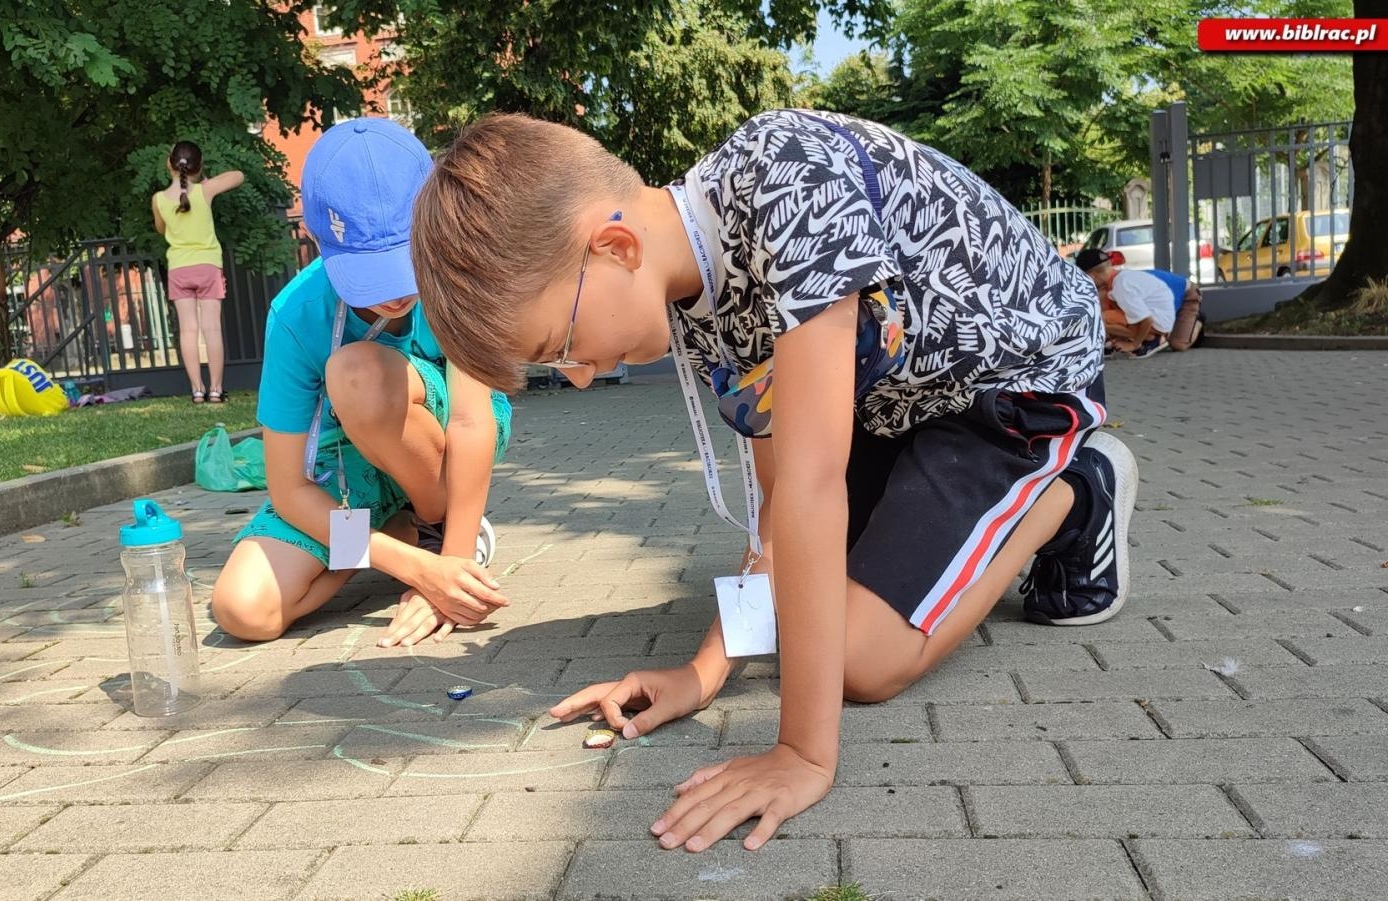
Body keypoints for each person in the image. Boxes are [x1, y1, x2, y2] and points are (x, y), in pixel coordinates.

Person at [409, 109, 1140, 852]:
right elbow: (777, 508)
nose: (582, 375)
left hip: (1014, 384)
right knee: (805, 594)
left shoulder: (791, 175)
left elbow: (814, 483)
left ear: (616, 246)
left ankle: (1076, 493)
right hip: (904, 402)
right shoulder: (693, 305)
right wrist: (701, 673)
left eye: (559, 344)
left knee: (857, 658)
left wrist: (802, 752)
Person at [211, 118, 513, 648]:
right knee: (242, 609)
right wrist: (413, 568)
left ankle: (441, 526)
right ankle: (401, 535)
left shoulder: (460, 273)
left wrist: (454, 566)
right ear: (319, 241)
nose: (396, 294)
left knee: (357, 374)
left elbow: (471, 419)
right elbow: (289, 490)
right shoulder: (295, 315)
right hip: (349, 467)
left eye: (403, 264)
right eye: (370, 273)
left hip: (447, 436)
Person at [152, 141, 243, 403]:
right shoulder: (205, 191)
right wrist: (206, 182)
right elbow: (238, 175)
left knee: (188, 330)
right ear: (199, 166)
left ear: (169, 164)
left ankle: (196, 390)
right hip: (208, 266)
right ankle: (216, 389)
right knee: (212, 329)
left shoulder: (158, 199)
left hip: (179, 268)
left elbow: (160, 229)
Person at [1074, 248, 1203, 357]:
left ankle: (1196, 323)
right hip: (1161, 308)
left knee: (1178, 344)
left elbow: (1146, 320)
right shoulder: (1116, 280)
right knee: (1107, 311)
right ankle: (1154, 335)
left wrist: (1134, 344)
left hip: (1188, 295)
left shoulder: (1121, 286)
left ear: (1093, 276)